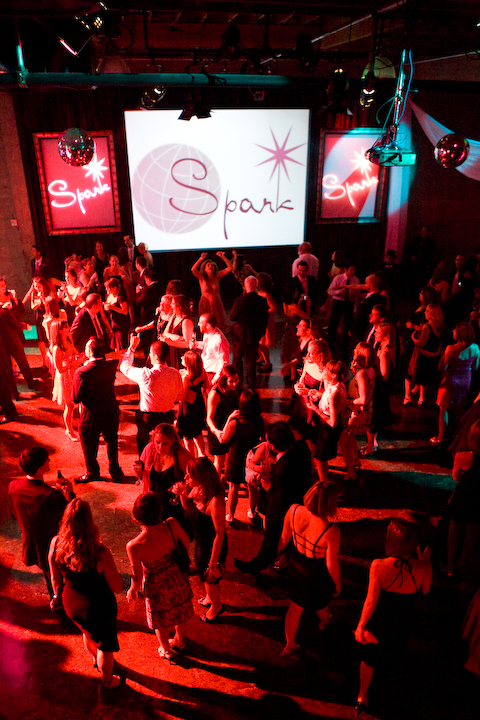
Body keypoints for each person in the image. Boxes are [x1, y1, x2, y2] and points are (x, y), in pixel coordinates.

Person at [354, 519, 432, 716]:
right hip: (404, 620)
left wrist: (361, 625)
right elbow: (425, 591)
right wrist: (424, 562)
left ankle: (362, 695)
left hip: (381, 619)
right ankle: (387, 694)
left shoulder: (378, 565)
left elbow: (370, 601)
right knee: (394, 654)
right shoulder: (424, 568)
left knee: (369, 657)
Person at [48, 499, 123, 690]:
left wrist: (57, 596)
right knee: (105, 647)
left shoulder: (56, 543)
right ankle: (108, 682)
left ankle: (95, 660)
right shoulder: (99, 552)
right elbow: (117, 587)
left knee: (87, 632)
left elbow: (55, 579)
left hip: (72, 603)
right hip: (98, 607)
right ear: (90, 521)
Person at [234, 421, 312, 576]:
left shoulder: (282, 469)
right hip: (303, 499)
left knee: (272, 538)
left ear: (272, 445)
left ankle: (260, 564)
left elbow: (281, 500)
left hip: (284, 507)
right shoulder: (301, 447)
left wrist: (268, 487)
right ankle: (284, 559)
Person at [126, 492, 193, 659]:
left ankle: (166, 649)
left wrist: (132, 590)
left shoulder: (134, 546)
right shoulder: (171, 524)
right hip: (176, 575)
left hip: (156, 586)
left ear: (137, 517)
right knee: (179, 611)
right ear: (160, 509)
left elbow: (137, 575)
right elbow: (186, 541)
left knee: (160, 620)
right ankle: (179, 640)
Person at [278, 480, 341, 655]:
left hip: (296, 566)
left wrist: (277, 557)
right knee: (321, 602)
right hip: (316, 572)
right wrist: (337, 584)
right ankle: (326, 625)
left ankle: (290, 645)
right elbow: (331, 564)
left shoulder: (293, 510)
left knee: (295, 608)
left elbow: (283, 539)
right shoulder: (331, 531)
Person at [8, 446, 75, 597]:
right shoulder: (52, 496)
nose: (49, 460)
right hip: (56, 549)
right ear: (40, 467)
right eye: (46, 460)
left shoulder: (13, 486)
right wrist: (69, 494)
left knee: (50, 579)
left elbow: (13, 514)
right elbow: (72, 520)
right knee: (63, 583)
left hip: (32, 547)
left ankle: (55, 600)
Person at [174, 457, 227, 623]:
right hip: (201, 541)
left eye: (189, 475)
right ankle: (209, 597)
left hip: (212, 545)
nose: (185, 478)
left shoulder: (215, 500)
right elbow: (187, 508)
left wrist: (213, 562)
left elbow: (219, 534)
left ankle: (216, 606)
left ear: (201, 476)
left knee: (210, 576)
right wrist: (182, 494)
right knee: (202, 573)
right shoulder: (197, 488)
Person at [72, 337, 124, 483]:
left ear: (89, 351)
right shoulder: (111, 365)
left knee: (89, 445)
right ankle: (115, 470)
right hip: (110, 410)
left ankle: (92, 471)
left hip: (91, 415)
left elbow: (75, 398)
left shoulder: (81, 372)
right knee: (111, 442)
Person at [120, 337, 183, 455]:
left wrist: (132, 348)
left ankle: (143, 462)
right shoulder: (175, 373)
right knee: (166, 446)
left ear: (155, 356)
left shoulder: (146, 374)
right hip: (167, 415)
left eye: (150, 353)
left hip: (147, 417)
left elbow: (124, 367)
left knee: (143, 445)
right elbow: (179, 396)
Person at [213, 389, 264, 523]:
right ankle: (252, 512)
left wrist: (229, 418)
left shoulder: (235, 423)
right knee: (252, 485)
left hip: (236, 456)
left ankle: (231, 515)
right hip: (252, 456)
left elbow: (223, 439)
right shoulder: (260, 421)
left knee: (233, 487)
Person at [140, 423, 194, 536]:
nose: (160, 447)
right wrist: (139, 473)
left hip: (174, 508)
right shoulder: (150, 450)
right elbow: (145, 472)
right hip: (154, 505)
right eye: (157, 442)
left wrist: (184, 488)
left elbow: (197, 479)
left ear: (172, 441)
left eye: (165, 443)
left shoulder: (182, 456)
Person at [431, 322, 480, 445]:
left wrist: (442, 358)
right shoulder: (475, 348)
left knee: (444, 409)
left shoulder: (451, 348)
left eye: (455, 330)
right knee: (460, 409)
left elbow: (443, 368)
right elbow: (475, 367)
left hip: (451, 381)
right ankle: (460, 437)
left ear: (460, 333)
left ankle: (441, 436)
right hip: (466, 380)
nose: (452, 330)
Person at [443, 420, 480, 578]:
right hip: (478, 501)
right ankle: (464, 565)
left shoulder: (462, 456)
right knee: (472, 535)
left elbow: (456, 477)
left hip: (463, 498)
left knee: (453, 532)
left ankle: (450, 567)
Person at [338, 343, 375, 480]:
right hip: (363, 412)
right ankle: (355, 461)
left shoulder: (361, 374)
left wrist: (347, 401)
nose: (353, 351)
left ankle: (351, 472)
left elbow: (363, 399)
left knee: (343, 443)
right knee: (351, 437)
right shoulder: (370, 370)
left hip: (356, 412)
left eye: (356, 350)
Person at [307, 360, 348, 481]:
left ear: (333, 375)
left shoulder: (334, 394)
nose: (323, 371)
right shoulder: (338, 385)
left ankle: (324, 485)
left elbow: (333, 423)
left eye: (326, 370)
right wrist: (318, 394)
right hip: (326, 425)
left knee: (319, 459)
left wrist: (315, 409)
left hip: (328, 429)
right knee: (321, 458)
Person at [289, 337, 331, 448]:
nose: (308, 355)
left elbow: (327, 395)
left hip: (313, 405)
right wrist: (298, 386)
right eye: (308, 352)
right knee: (299, 431)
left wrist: (309, 392)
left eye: (311, 353)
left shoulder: (326, 371)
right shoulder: (308, 362)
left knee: (311, 436)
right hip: (301, 402)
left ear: (320, 355)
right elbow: (302, 378)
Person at [230, 275, 269, 388]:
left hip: (240, 334)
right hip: (254, 334)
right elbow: (265, 319)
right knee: (251, 360)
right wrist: (261, 332)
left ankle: (238, 381)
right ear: (256, 285)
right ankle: (252, 383)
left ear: (245, 286)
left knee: (237, 358)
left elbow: (232, 317)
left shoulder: (239, 300)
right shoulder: (262, 301)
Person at [363, 323, 396, 455]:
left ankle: (370, 446)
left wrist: (370, 371)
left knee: (372, 418)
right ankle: (373, 443)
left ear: (385, 335)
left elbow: (384, 376)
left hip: (379, 390)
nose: (375, 334)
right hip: (381, 389)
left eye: (377, 332)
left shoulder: (384, 353)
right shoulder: (385, 349)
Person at [404, 303, 444, 407]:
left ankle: (408, 398)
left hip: (422, 356)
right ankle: (421, 399)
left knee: (411, 375)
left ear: (431, 314)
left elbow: (421, 343)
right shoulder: (439, 327)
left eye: (427, 311)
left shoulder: (427, 327)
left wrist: (413, 338)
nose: (425, 313)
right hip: (432, 357)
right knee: (424, 379)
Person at [50, 319, 84, 442]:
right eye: (66, 327)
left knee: (80, 402)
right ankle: (69, 431)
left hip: (75, 374)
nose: (69, 328)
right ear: (59, 331)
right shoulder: (57, 348)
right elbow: (59, 369)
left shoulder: (69, 341)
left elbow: (74, 355)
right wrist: (75, 362)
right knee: (69, 406)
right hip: (66, 377)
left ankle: (83, 427)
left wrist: (79, 357)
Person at [206, 365, 240, 474]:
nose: (234, 384)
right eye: (231, 381)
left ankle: (225, 479)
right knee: (219, 461)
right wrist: (216, 432)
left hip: (230, 428)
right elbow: (209, 418)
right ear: (224, 380)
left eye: (236, 380)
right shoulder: (215, 393)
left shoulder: (235, 390)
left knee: (229, 459)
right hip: (218, 429)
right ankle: (216, 482)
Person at [191, 251, 233, 332]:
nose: (211, 266)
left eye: (212, 265)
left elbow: (230, 268)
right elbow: (193, 269)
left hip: (216, 302)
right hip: (205, 302)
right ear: (204, 268)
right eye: (208, 265)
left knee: (218, 320)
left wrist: (222, 256)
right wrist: (201, 258)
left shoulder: (217, 276)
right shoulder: (202, 277)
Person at [177, 349, 208, 457]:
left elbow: (182, 398)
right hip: (198, 405)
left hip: (188, 408)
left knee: (187, 436)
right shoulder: (202, 372)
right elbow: (207, 385)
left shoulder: (186, 378)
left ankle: (190, 459)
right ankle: (202, 456)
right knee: (197, 433)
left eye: (184, 357)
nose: (181, 358)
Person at [281, 281, 311, 382]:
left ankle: (286, 372)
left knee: (287, 351)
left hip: (288, 329)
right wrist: (308, 305)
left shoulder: (285, 304)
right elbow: (306, 316)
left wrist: (299, 302)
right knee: (294, 351)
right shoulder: (294, 307)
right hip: (295, 330)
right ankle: (293, 375)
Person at [327, 264, 360, 356]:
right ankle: (329, 343)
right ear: (345, 269)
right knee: (333, 323)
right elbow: (330, 291)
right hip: (338, 302)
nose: (353, 272)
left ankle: (345, 345)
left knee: (348, 324)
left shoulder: (356, 280)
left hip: (349, 303)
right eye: (351, 270)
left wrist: (356, 306)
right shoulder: (338, 278)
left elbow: (357, 295)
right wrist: (339, 292)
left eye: (354, 270)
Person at [161, 294, 194, 369]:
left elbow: (188, 344)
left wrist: (171, 343)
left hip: (180, 355)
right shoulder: (174, 316)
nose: (171, 306)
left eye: (173, 304)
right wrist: (173, 336)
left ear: (179, 306)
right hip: (172, 352)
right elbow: (165, 332)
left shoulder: (186, 321)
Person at [195, 313, 230, 386]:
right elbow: (208, 347)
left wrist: (215, 378)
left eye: (200, 322)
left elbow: (223, 362)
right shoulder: (208, 333)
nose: (198, 324)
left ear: (208, 326)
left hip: (212, 375)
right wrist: (196, 344)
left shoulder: (218, 340)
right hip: (205, 372)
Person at [257, 272, 277, 374]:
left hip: (265, 321)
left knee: (262, 343)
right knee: (259, 342)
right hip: (261, 320)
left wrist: (263, 311)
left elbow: (274, 308)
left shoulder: (265, 295)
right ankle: (262, 357)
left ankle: (267, 362)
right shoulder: (260, 293)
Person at [104, 277, 130, 350]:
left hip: (122, 324)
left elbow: (125, 311)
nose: (107, 290)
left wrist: (112, 307)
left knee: (121, 344)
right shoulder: (110, 296)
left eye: (108, 288)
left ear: (114, 288)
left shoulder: (121, 296)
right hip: (114, 323)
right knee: (114, 344)